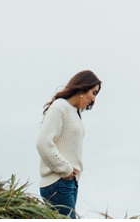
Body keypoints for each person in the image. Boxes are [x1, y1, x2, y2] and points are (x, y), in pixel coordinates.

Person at [36, 70, 102, 219]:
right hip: (59, 182)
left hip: (67, 182)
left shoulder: (74, 111)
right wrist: (65, 169)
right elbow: (43, 143)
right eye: (93, 93)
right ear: (82, 88)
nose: (94, 99)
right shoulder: (60, 107)